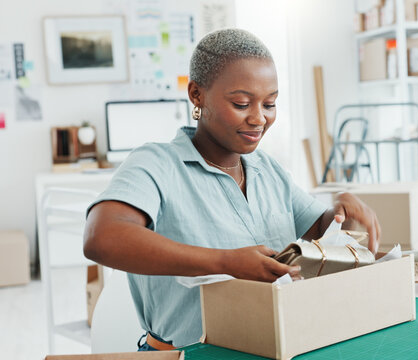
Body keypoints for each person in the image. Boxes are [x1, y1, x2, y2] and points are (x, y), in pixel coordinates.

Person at [83, 29, 381, 351]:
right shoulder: (157, 164)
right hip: (189, 354)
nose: (259, 118)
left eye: (270, 104)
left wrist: (342, 213)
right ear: (197, 95)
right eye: (241, 103)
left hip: (277, 346)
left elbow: (319, 230)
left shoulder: (268, 169)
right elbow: (102, 238)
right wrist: (225, 262)